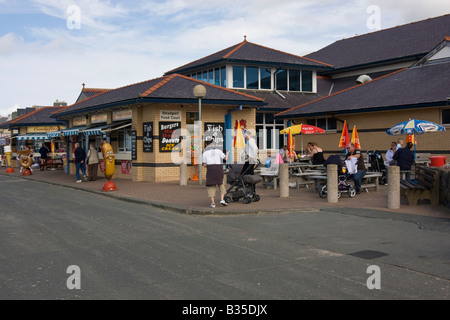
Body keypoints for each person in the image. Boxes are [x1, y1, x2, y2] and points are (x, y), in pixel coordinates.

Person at [202, 139, 229, 208]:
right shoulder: (218, 151)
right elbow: (225, 158)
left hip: (210, 169)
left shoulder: (205, 153)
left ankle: (213, 203)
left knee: (211, 186)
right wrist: (228, 154)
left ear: (206, 145)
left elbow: (204, 165)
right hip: (219, 168)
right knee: (221, 183)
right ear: (213, 144)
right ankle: (222, 199)